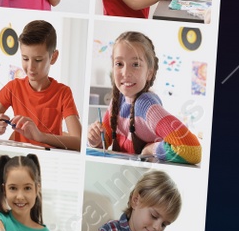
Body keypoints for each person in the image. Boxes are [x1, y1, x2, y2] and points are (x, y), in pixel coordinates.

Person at [85, 30, 203, 165]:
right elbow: (104, 140)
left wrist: (151, 149)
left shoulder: (146, 106)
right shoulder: (118, 99)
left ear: (149, 73)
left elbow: (192, 150)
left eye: (135, 64)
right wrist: (95, 139)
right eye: (119, 64)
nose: (125, 73)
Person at [0, 19, 82, 150]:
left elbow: (79, 142)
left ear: (53, 57)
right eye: (25, 58)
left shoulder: (63, 93)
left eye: (38, 60)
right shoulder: (13, 88)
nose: (30, 67)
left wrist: (40, 136)